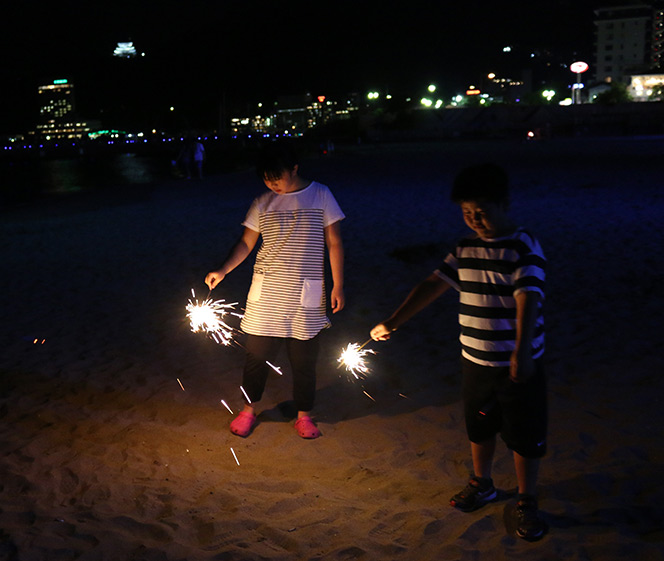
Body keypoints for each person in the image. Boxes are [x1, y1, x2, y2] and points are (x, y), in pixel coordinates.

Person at [370, 163, 548, 541]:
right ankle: (482, 483)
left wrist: (521, 352)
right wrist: (394, 321)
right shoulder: (464, 247)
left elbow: (528, 297)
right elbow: (433, 284)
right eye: (467, 213)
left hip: (516, 363)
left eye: (482, 212)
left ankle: (526, 499)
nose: (475, 220)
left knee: (523, 432)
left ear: (504, 203)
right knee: (479, 425)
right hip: (475, 360)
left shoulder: (522, 245)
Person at [205, 141, 345, 439]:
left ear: (294, 168)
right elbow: (246, 243)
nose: (272, 183)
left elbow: (334, 242)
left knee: (304, 361)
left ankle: (304, 415)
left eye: (276, 176)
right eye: (266, 178)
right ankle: (248, 410)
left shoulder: (321, 194)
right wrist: (223, 269)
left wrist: (339, 284)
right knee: (256, 357)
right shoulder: (262, 202)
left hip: (305, 294)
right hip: (266, 292)